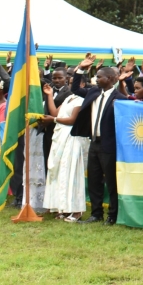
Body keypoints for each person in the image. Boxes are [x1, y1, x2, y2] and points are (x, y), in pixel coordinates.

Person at [59, 59, 128, 224]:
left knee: (111, 182)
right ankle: (96, 214)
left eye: (100, 77)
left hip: (109, 145)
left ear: (111, 79)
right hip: (94, 143)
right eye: (96, 77)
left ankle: (112, 215)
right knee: (94, 180)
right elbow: (75, 88)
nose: (96, 80)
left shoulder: (121, 99)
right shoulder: (93, 92)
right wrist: (80, 70)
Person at [40, 82, 90, 221]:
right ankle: (62, 207)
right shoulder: (69, 98)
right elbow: (55, 112)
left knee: (71, 172)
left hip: (72, 137)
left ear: (82, 84)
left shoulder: (82, 100)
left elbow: (72, 120)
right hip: (60, 135)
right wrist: (49, 96)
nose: (70, 84)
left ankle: (76, 210)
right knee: (59, 172)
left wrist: (53, 119)